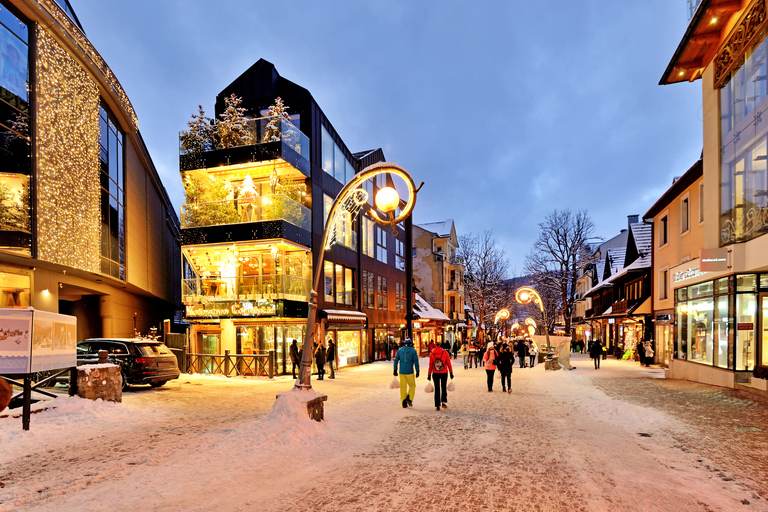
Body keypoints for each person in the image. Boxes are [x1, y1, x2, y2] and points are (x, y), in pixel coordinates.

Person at [393, 338, 419, 408]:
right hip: (410, 371)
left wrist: (395, 370)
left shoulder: (400, 350)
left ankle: (403, 402)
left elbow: (396, 360)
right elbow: (416, 362)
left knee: (403, 387)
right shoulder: (413, 351)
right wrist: (417, 370)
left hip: (402, 371)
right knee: (412, 385)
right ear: (411, 343)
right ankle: (409, 398)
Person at [428, 341, 454, 411]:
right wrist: (451, 372)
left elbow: (430, 365)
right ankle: (443, 402)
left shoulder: (432, 354)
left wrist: (429, 374)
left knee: (437, 388)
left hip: (435, 373)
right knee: (443, 387)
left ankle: (437, 405)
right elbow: (448, 363)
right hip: (444, 372)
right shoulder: (445, 353)